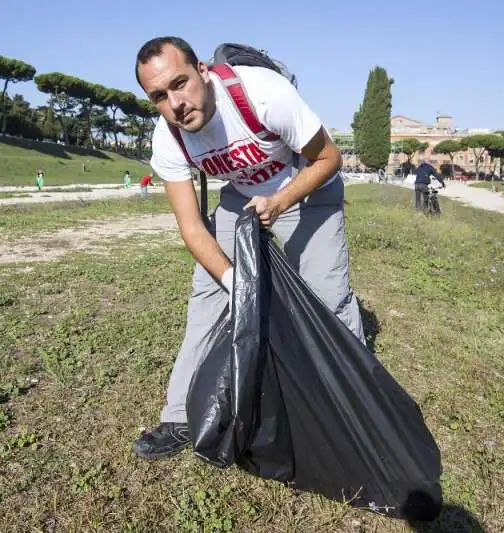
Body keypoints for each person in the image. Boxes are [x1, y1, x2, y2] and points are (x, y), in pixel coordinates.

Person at [131, 36, 366, 459]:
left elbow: (330, 158)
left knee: (329, 295)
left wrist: (280, 202)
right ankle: (181, 416)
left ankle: (355, 403)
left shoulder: (262, 94)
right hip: (243, 196)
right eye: (159, 97)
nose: (176, 103)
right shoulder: (168, 138)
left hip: (306, 187)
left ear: (202, 71)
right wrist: (231, 278)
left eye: (180, 83)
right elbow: (191, 227)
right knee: (207, 296)